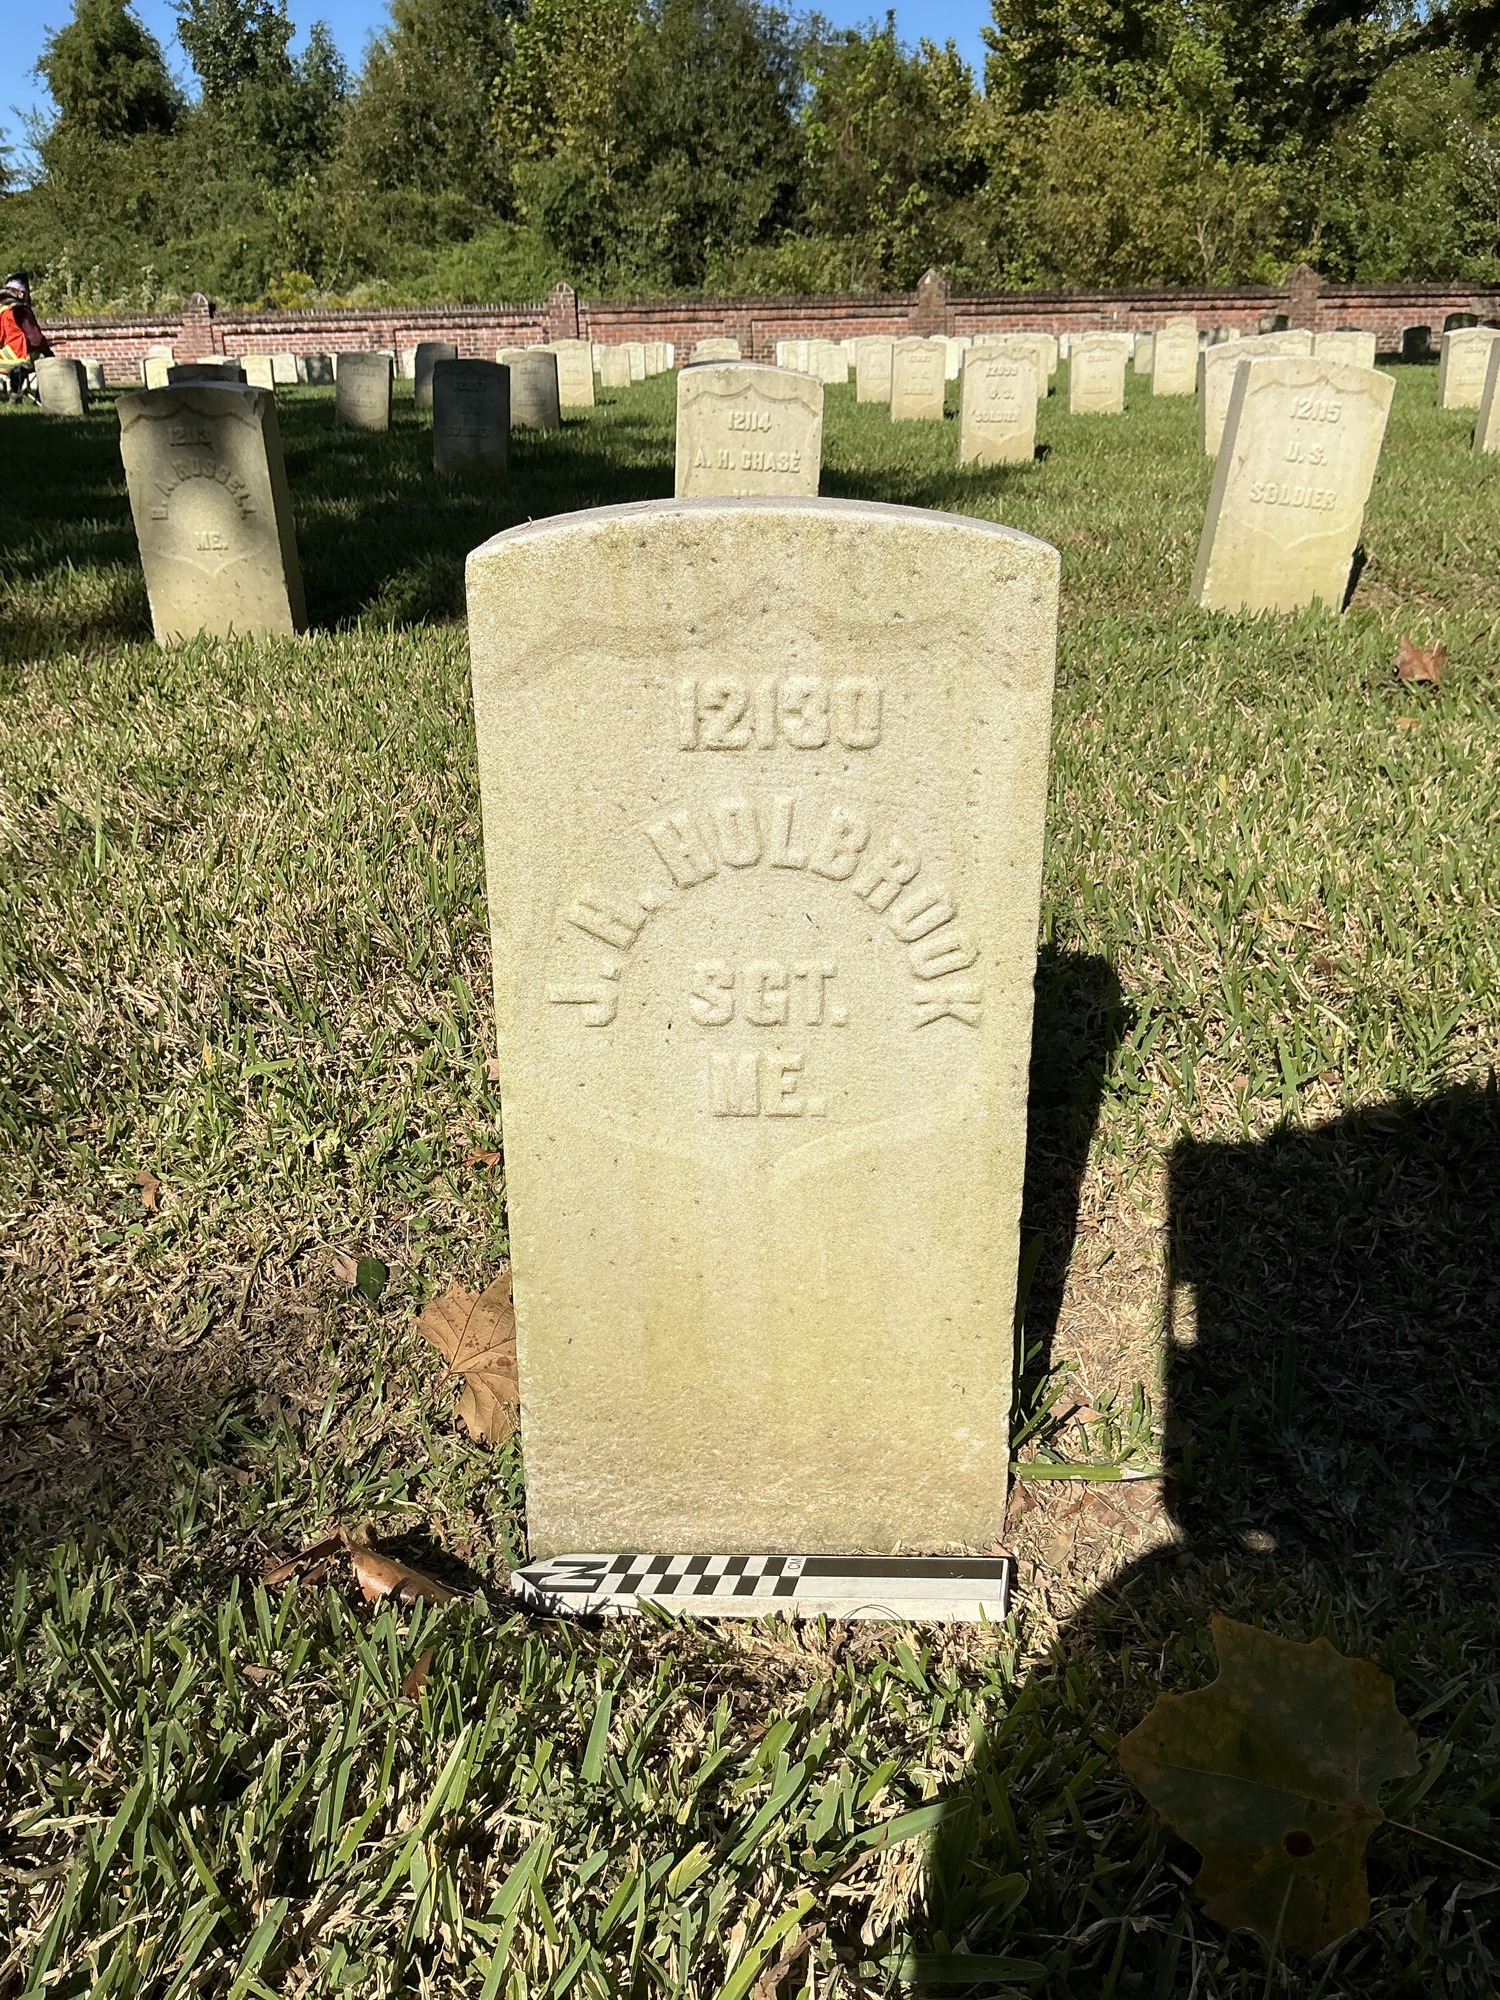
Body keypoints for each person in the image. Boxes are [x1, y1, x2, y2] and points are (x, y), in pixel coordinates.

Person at [1, 273, 52, 398]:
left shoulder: (3, 310)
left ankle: (14, 393)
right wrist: (48, 353)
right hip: (24, 354)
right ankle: (32, 395)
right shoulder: (21, 310)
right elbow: (35, 338)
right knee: (44, 363)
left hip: (7, 355)